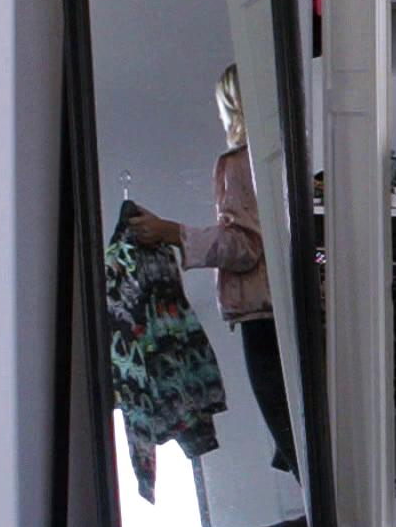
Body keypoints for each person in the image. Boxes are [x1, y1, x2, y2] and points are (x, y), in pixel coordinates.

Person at [127, 63, 299, 480]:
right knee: (302, 433)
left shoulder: (241, 163)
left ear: (232, 106)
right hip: (293, 309)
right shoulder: (292, 153)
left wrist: (172, 233)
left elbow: (245, 247)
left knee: (295, 443)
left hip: (265, 316)